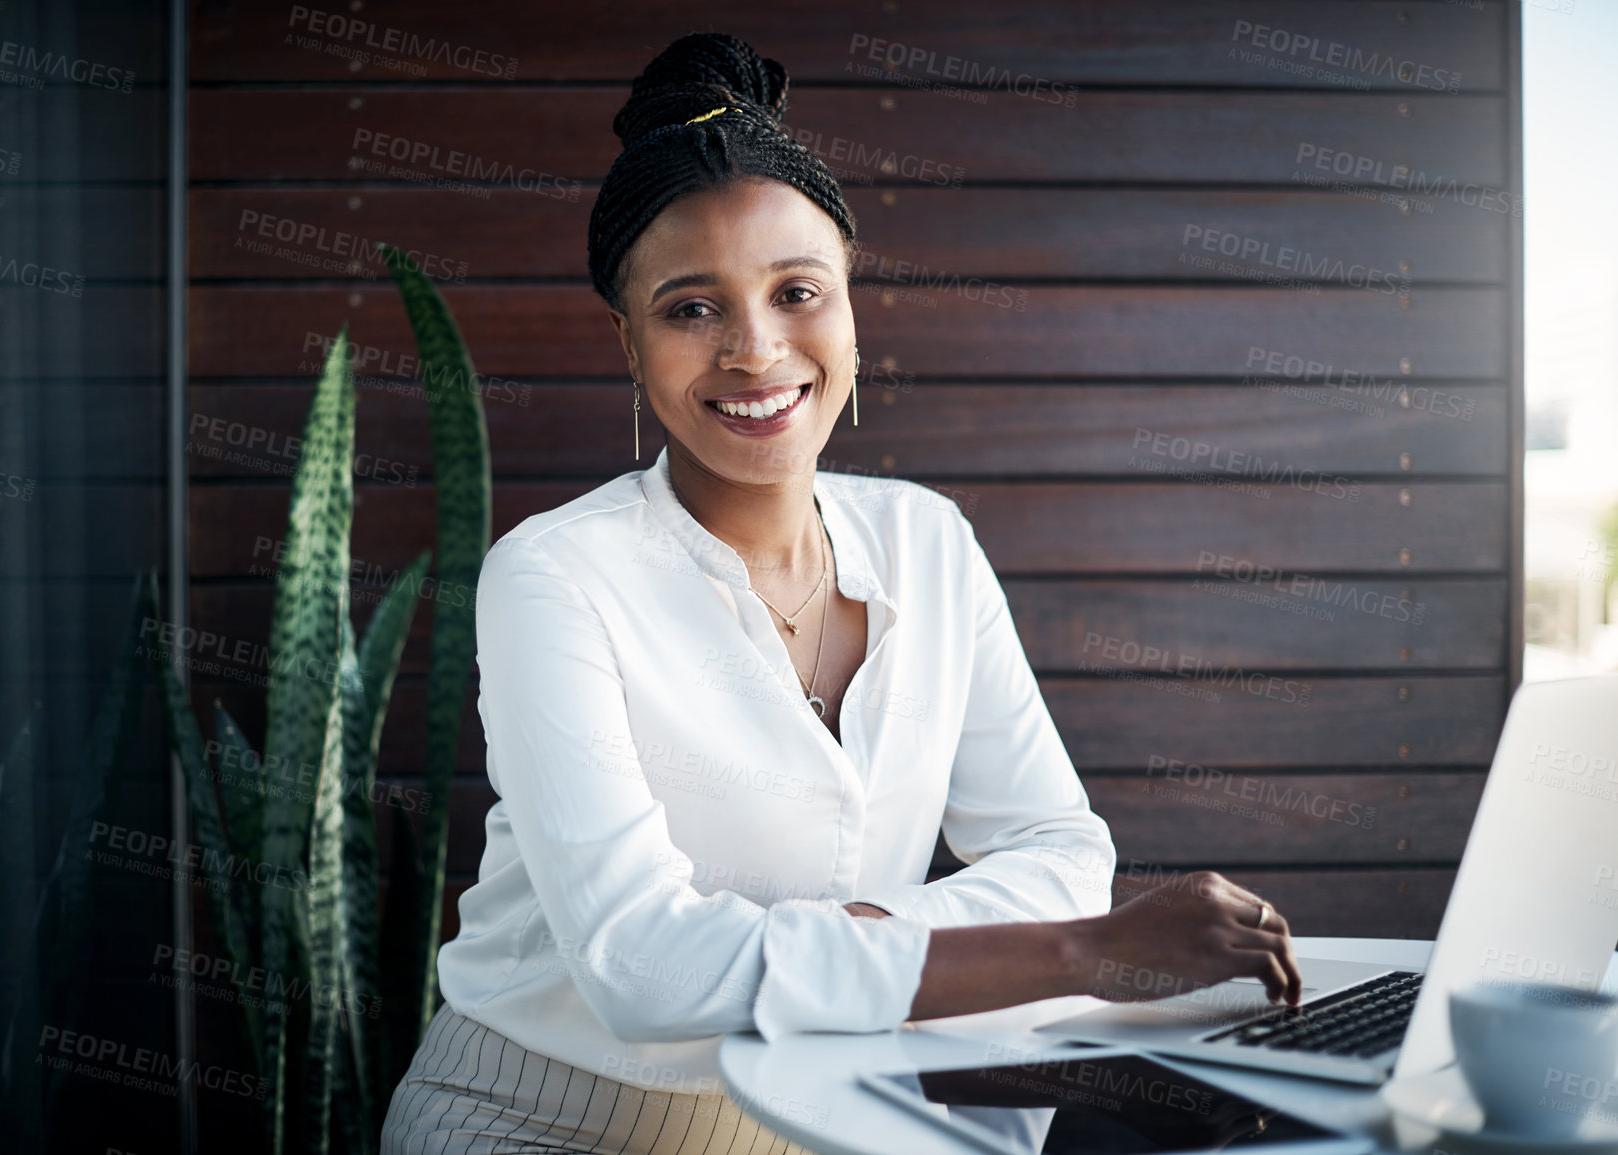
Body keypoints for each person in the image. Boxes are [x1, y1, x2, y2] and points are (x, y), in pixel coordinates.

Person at [381, 31, 1302, 1155]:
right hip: (545, 1118)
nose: (757, 349)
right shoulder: (556, 576)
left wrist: (865, 937)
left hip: (833, 1117)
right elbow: (641, 967)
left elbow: (1061, 848)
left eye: (797, 291)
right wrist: (1071, 949)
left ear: (851, 306)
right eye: (690, 309)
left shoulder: (929, 541)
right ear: (628, 345)